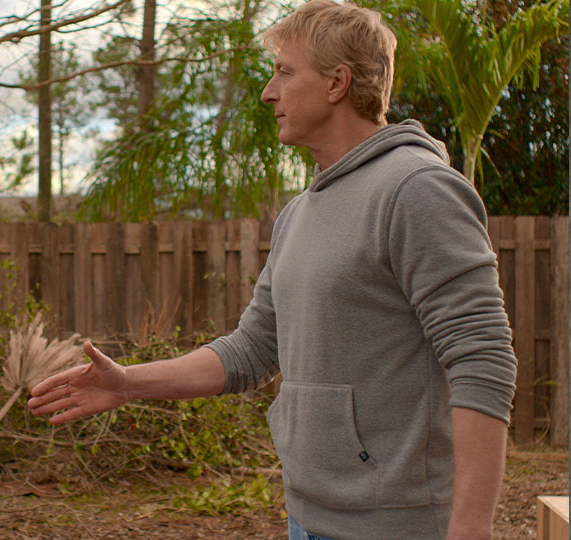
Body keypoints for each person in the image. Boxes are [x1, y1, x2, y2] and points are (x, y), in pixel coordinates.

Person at [28, 2, 518, 539]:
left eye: (285, 72)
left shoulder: (416, 189)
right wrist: (127, 384)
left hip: (396, 526)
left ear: (337, 83)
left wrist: (471, 527)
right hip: (307, 518)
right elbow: (253, 349)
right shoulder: (300, 211)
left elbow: (482, 357)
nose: (269, 91)